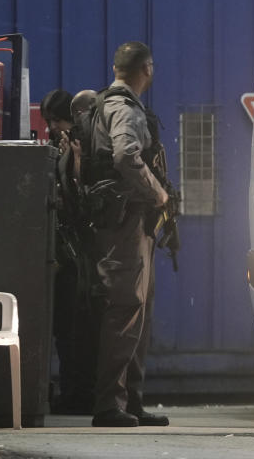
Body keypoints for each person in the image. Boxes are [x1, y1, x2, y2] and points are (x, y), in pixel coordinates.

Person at [86, 42, 169, 428]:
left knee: (140, 310)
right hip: (126, 223)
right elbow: (124, 156)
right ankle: (109, 406)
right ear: (147, 69)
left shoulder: (107, 101)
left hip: (132, 224)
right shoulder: (125, 109)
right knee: (126, 308)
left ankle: (130, 401)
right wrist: (158, 193)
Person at [41, 89, 97, 415]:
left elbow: (79, 199)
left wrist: (72, 162)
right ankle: (73, 390)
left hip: (78, 255)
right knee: (67, 329)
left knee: (73, 329)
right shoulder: (62, 148)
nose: (52, 127)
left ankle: (78, 392)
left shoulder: (82, 150)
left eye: (57, 120)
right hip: (70, 253)